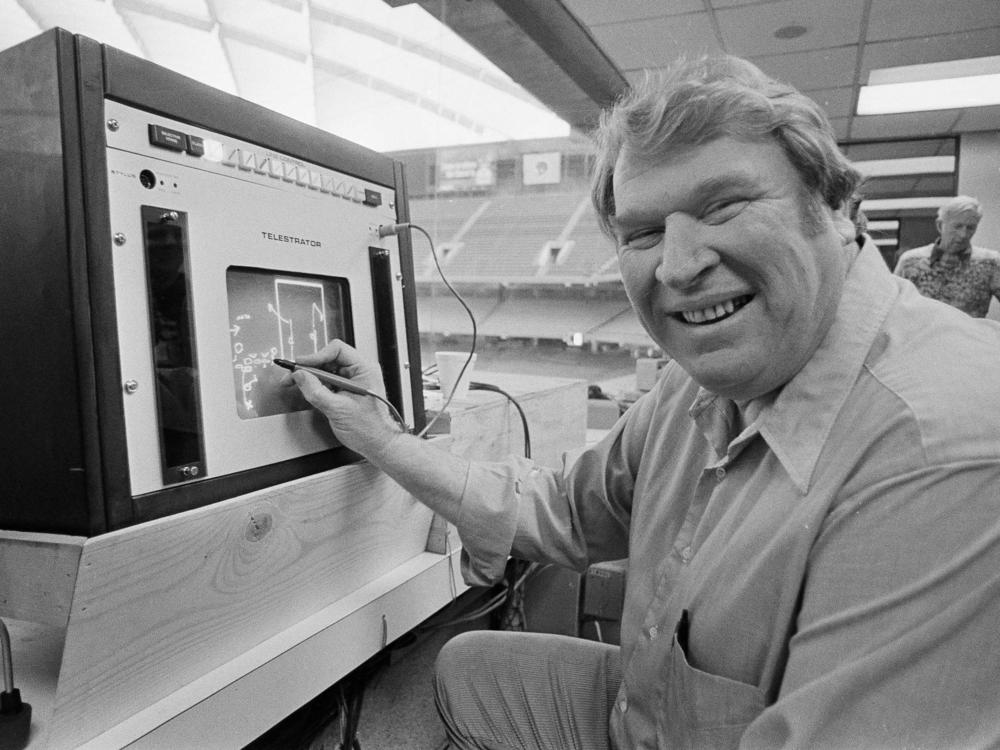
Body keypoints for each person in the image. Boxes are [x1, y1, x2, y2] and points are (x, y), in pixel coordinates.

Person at [286, 56, 1000, 749]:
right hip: (653, 717)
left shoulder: (941, 445)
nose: (680, 266)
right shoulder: (699, 382)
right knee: (464, 664)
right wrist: (382, 435)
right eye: (644, 232)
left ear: (840, 208)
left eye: (724, 205)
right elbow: (566, 513)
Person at [894, 195, 1000, 317]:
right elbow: (893, 307)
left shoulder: (990, 262)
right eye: (957, 226)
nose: (963, 234)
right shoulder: (911, 261)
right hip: (920, 334)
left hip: (966, 335)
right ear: (940, 225)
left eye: (970, 228)